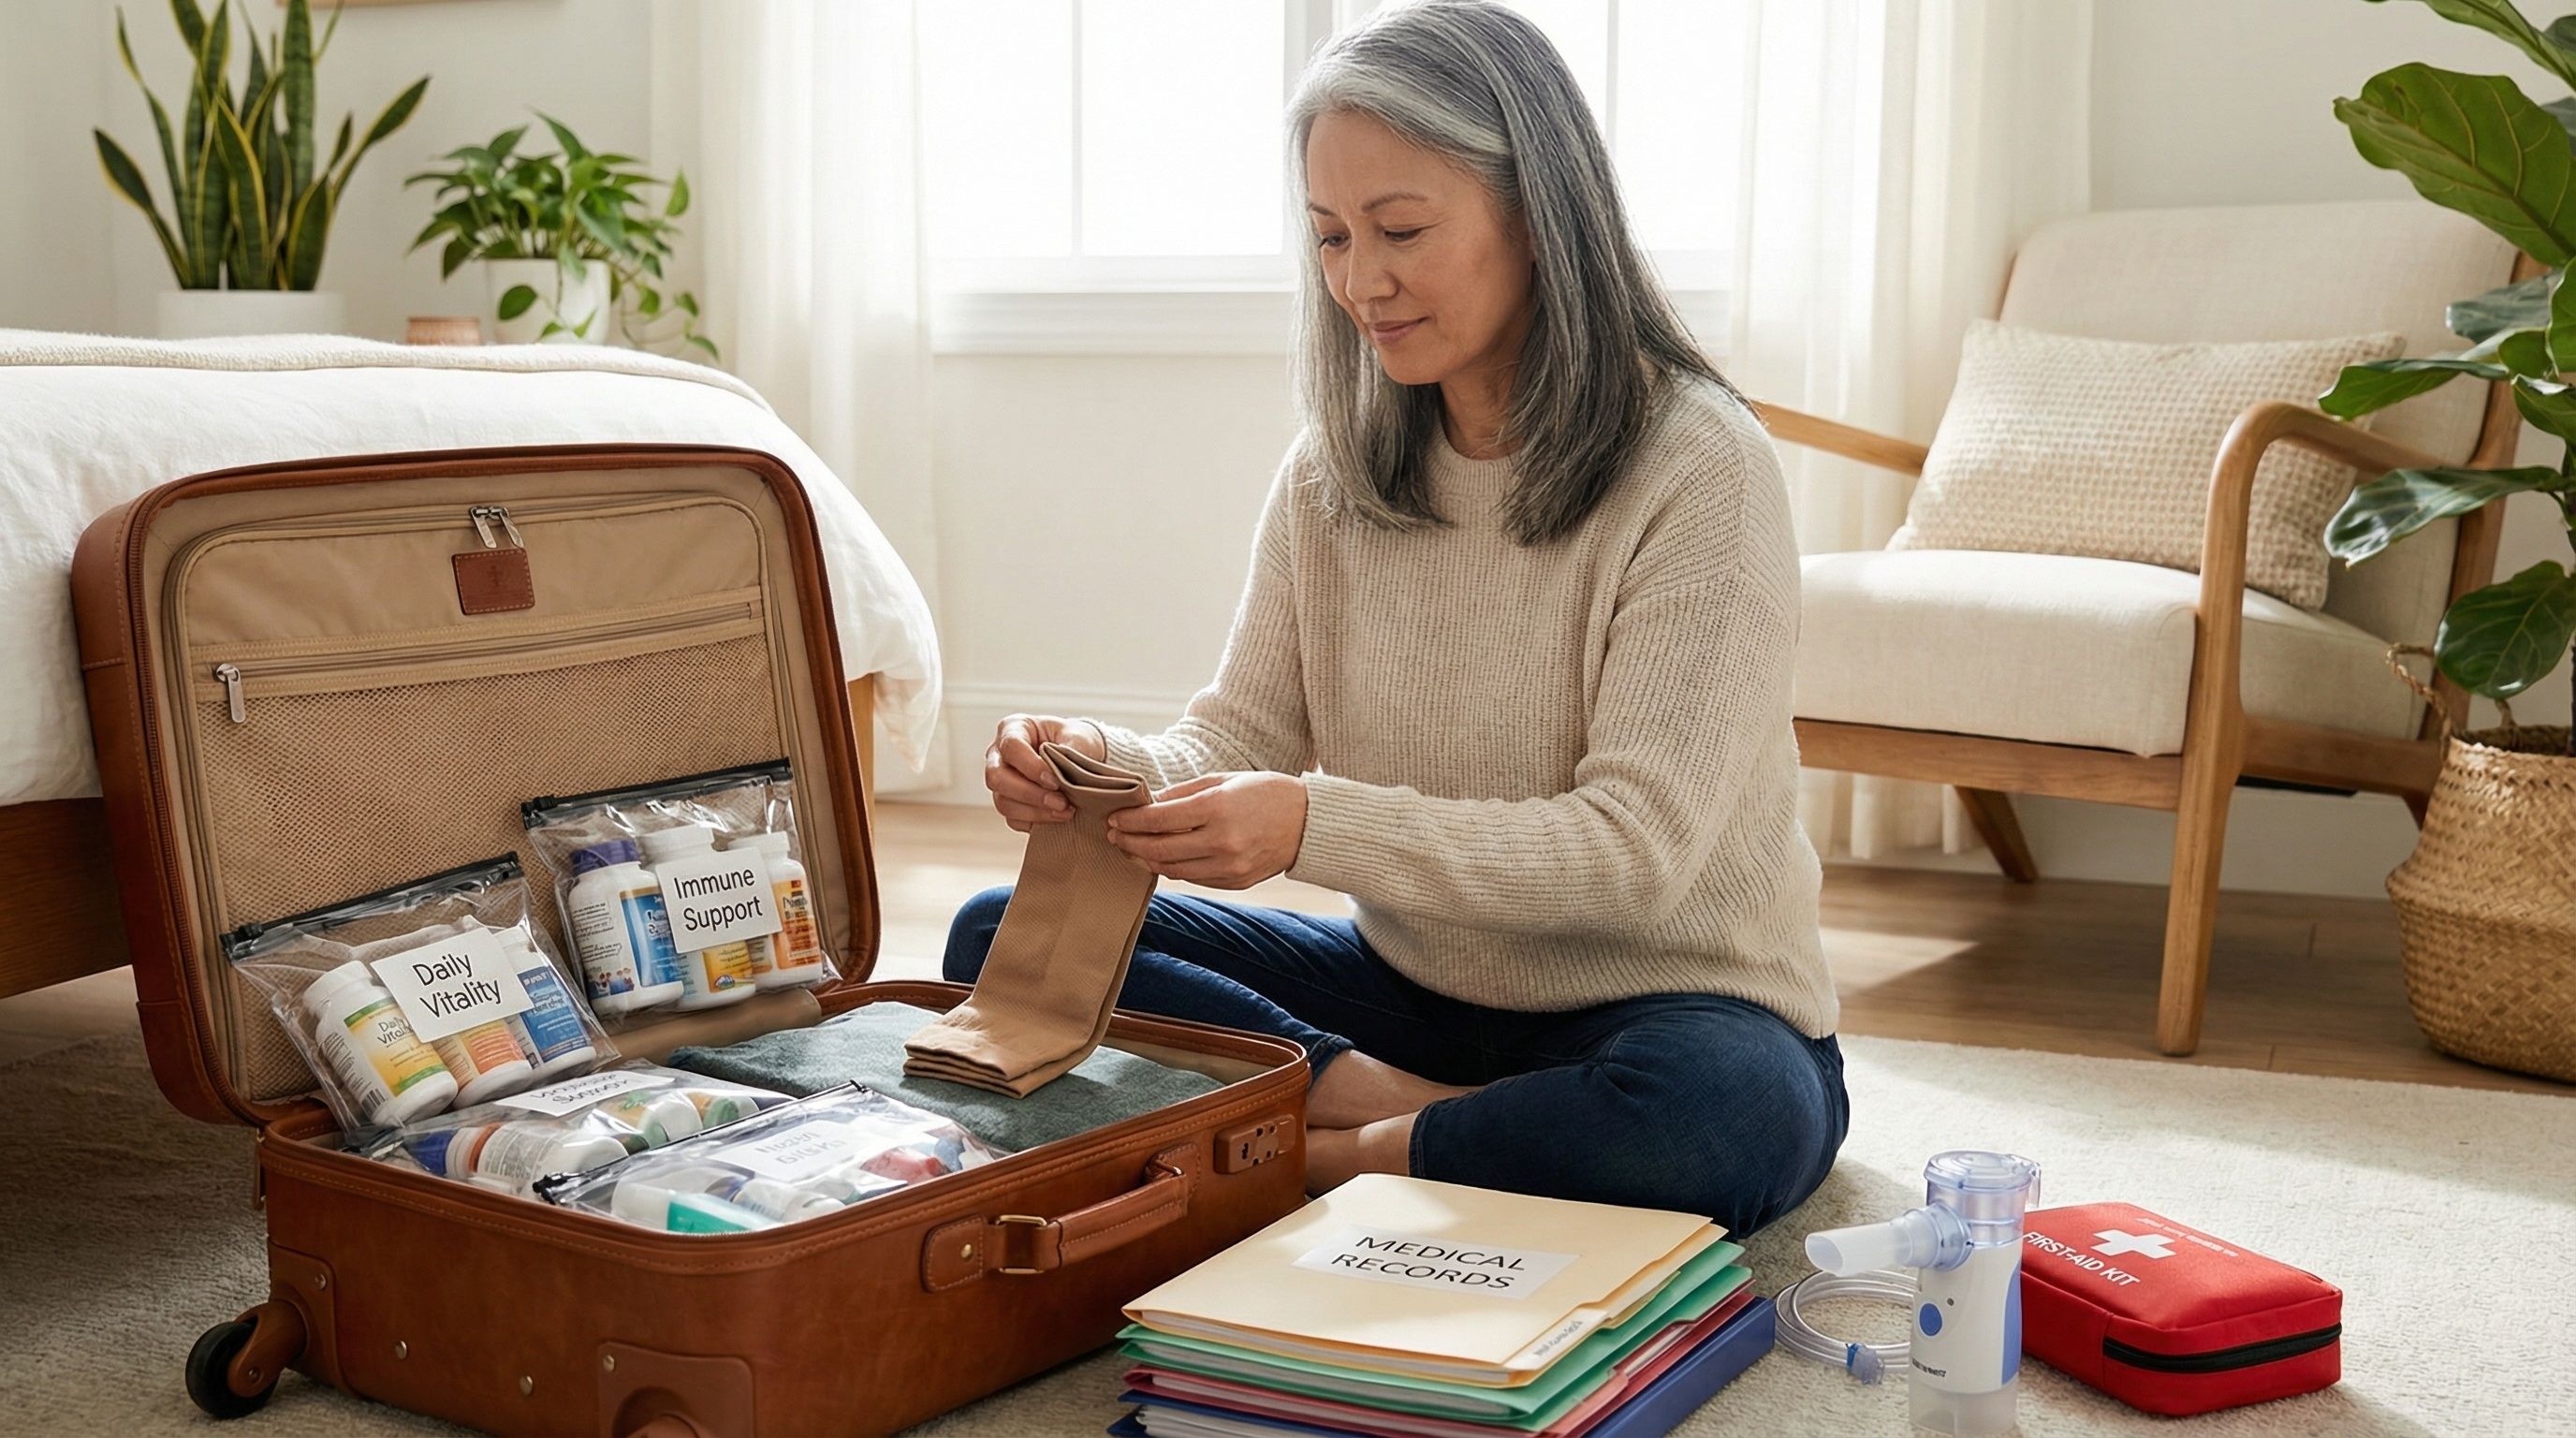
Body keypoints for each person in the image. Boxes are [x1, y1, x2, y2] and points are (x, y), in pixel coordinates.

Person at [945, 0, 1844, 1237]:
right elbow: (1239, 732)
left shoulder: (1699, 468)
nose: (1361, 281)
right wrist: (1104, 771)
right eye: (1329, 237)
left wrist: (1315, 824)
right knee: (999, 938)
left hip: (1667, 1003)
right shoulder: (1336, 469)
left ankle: (1314, 1151)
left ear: (1535, 210)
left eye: (1402, 230)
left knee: (1725, 1113)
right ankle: (1424, 1119)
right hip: (1411, 995)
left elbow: (1635, 857)